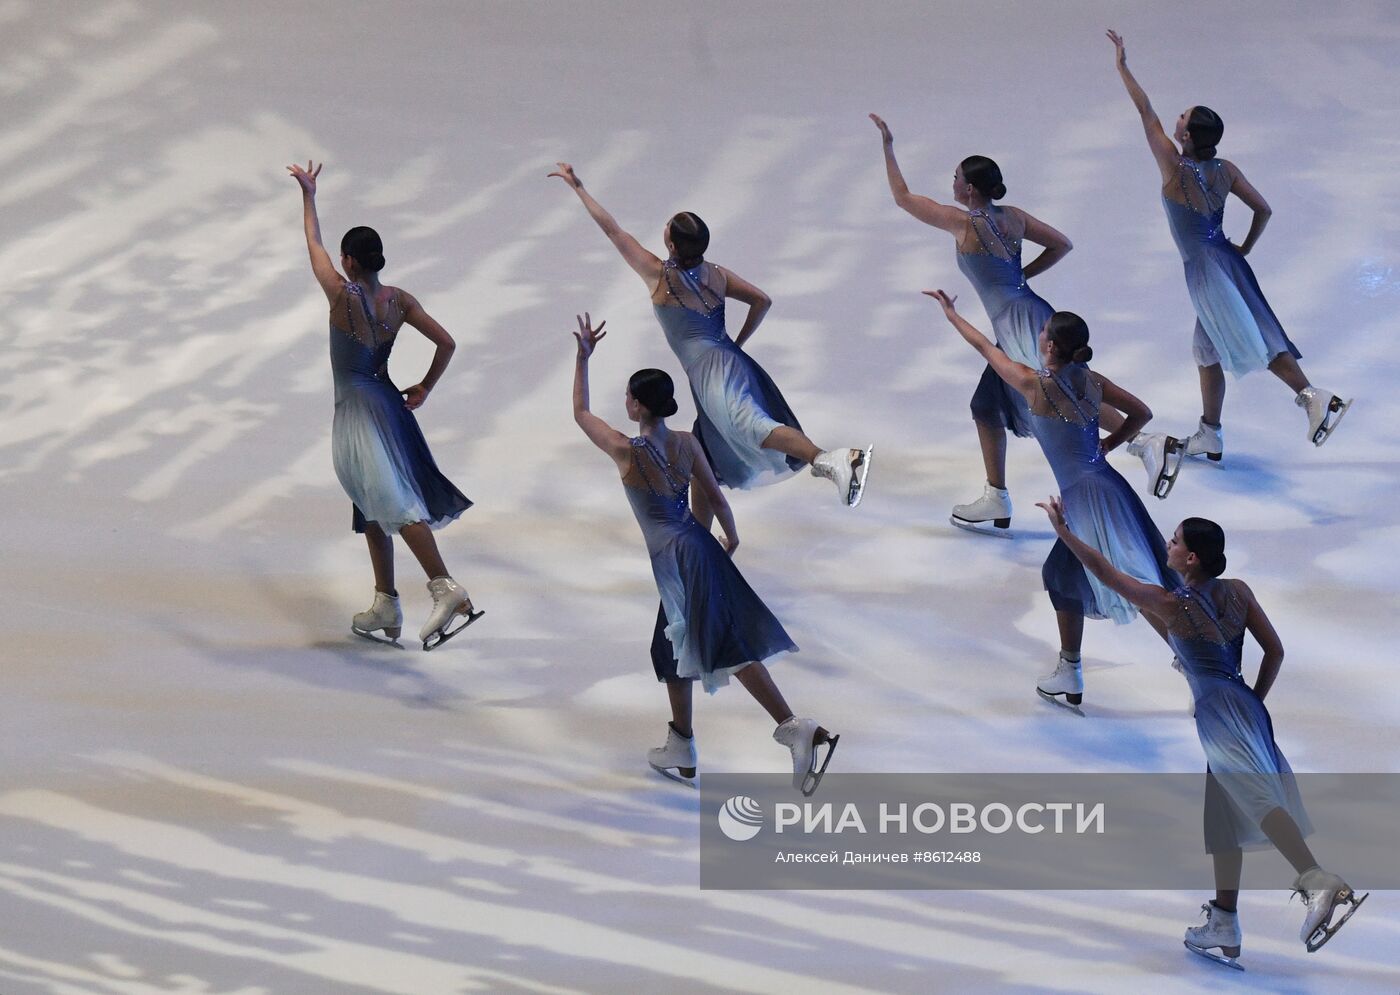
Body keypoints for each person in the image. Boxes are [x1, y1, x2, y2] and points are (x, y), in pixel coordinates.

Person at [1038, 499, 1366, 964]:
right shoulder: (1238, 591)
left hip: (1217, 709)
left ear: (1191, 558)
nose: (1169, 546)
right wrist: (1249, 703)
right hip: (1245, 702)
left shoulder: (1172, 603)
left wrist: (1066, 533)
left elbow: (1109, 575)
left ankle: (1317, 879)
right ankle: (1224, 921)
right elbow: (1275, 652)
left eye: (1174, 542)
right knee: (1224, 816)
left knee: (1254, 800)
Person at [570, 313, 837, 794]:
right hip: (697, 548)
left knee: (722, 645)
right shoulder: (688, 444)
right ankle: (683, 743)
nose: (624, 401)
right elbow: (715, 499)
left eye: (629, 396)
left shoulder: (626, 451)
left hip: (677, 561)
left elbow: (581, 414)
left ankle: (794, 728)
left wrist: (582, 358)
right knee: (671, 647)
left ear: (637, 406)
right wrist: (731, 539)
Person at [871, 114, 1182, 524]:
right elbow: (1061, 244)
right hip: (1031, 311)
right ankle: (996, 496)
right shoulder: (1012, 217)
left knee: (1062, 394)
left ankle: (1144, 442)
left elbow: (903, 197)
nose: (952, 183)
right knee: (986, 405)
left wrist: (888, 145)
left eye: (956, 177)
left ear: (970, 189)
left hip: (1018, 326)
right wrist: (1022, 278)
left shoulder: (962, 223)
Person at [549, 162, 873, 517]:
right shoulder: (716, 274)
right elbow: (761, 301)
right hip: (728, 360)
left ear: (671, 243)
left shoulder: (660, 277)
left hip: (711, 373)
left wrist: (579, 188)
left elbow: (614, 232)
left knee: (748, 424)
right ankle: (703, 543)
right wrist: (736, 344)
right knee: (703, 459)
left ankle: (831, 459)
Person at [1106, 30, 1351, 460]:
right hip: (1227, 260)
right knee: (1205, 349)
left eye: (1182, 117)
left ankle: (1313, 397)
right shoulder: (1225, 169)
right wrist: (1247, 249)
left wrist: (1123, 67)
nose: (1176, 118)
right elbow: (1264, 210)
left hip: (1204, 270)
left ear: (1186, 136)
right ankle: (1210, 433)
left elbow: (1146, 112)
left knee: (1249, 339)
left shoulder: (1174, 168)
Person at [927, 291, 1172, 708]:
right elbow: (1142, 414)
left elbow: (985, 347)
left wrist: (951, 314)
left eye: (1042, 331)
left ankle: (1192, 657)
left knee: (1134, 581)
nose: (1037, 334)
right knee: (1072, 574)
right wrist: (1109, 443)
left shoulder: (1034, 385)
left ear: (1051, 346)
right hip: (1108, 487)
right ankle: (1071, 670)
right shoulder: (1093, 381)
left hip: (1085, 499)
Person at [288, 161, 481, 650]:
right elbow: (448, 343)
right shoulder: (400, 300)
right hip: (389, 405)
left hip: (358, 412)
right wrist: (424, 388)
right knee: (369, 503)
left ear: (350, 261)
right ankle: (385, 602)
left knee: (392, 501)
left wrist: (309, 196)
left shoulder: (340, 295)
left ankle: (446, 587)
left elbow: (313, 245)